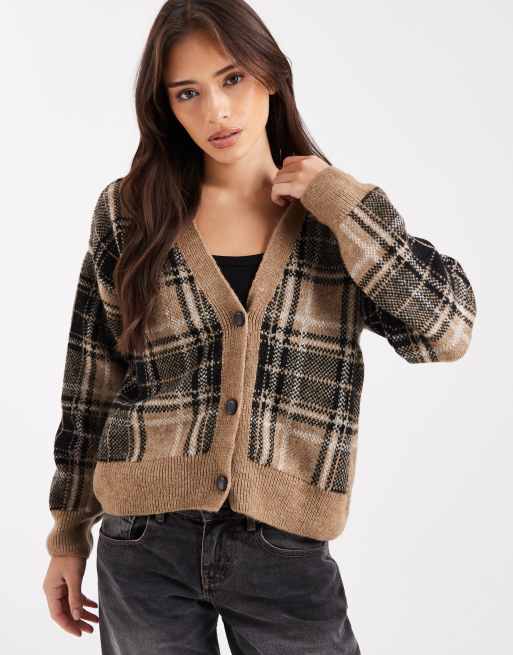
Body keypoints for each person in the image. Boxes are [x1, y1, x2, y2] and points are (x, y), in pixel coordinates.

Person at [42, 1, 477, 653]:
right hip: (142, 539)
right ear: (167, 107)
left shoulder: (335, 220)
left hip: (284, 548)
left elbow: (446, 330)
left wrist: (341, 204)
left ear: (270, 75)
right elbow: (91, 380)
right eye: (188, 92)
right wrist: (68, 534)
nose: (216, 111)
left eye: (232, 79)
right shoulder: (129, 211)